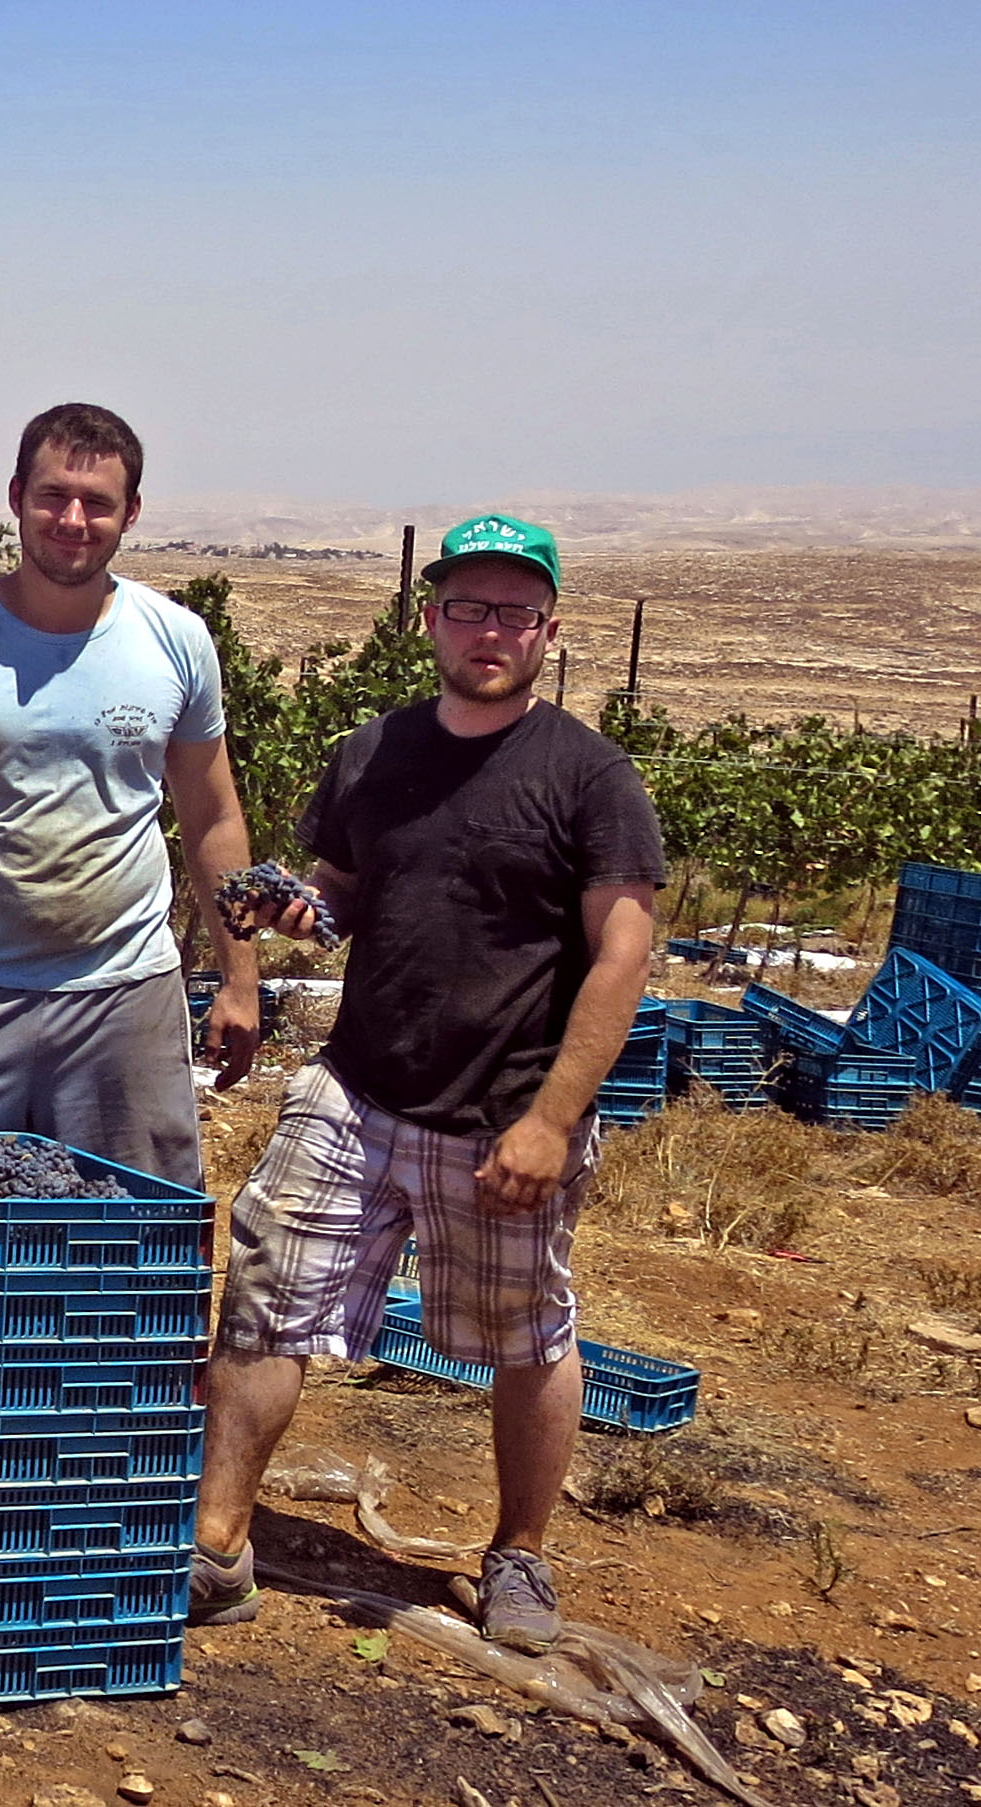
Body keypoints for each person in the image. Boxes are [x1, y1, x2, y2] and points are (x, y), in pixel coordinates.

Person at [190, 512, 665, 1653]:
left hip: (505, 1113)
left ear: (547, 628)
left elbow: (622, 955)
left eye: (513, 610)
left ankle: (520, 1558)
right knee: (265, 1294)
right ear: (430, 618)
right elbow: (340, 890)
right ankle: (216, 1547)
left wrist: (553, 1117)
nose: (488, 629)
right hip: (356, 1088)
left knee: (529, 1335)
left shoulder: (589, 777)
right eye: (468, 607)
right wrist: (303, 911)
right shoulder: (373, 750)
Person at [0, 402, 264, 1187]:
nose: (72, 519)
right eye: (52, 495)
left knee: (130, 1243)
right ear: (15, 496)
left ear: (131, 513)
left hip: (126, 994)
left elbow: (212, 816)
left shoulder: (174, 640)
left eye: (98, 503)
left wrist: (239, 979)